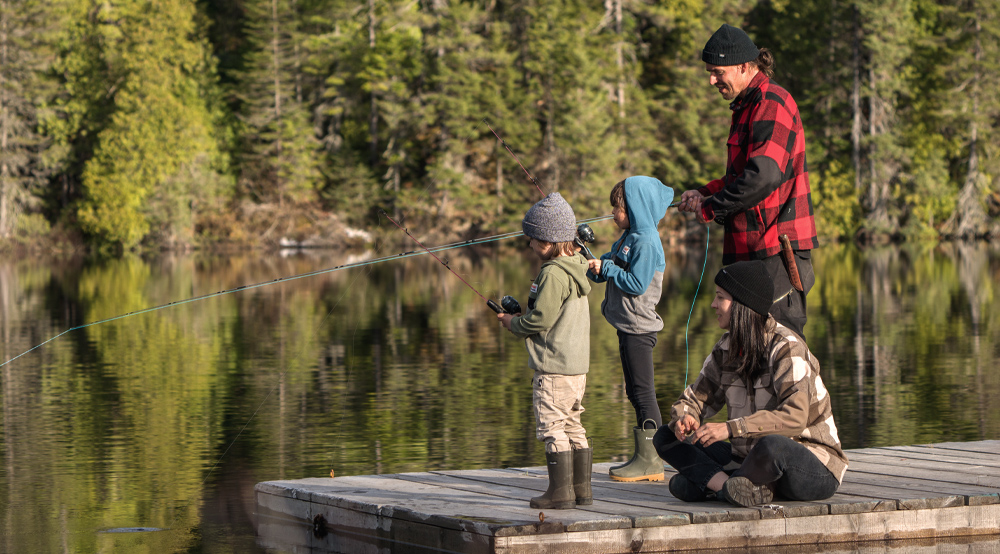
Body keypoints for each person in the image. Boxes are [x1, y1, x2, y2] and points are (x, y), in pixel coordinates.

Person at [652, 260, 847, 507]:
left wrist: (731, 428)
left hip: (812, 464)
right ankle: (730, 487)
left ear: (742, 305)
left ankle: (713, 484)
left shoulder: (788, 348)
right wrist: (685, 417)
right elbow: (695, 399)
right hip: (748, 459)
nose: (713, 304)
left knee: (772, 444)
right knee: (665, 436)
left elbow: (795, 417)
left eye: (720, 297)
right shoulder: (726, 348)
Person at [676, 24, 817, 339]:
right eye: (709, 72)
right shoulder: (745, 107)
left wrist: (711, 207)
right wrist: (703, 194)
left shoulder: (772, 102)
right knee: (747, 352)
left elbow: (762, 177)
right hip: (749, 252)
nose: (712, 80)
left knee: (780, 349)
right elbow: (740, 178)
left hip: (777, 254)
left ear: (743, 66)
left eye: (717, 72)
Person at [498, 192, 594, 510]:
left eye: (534, 238)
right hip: (577, 366)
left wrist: (513, 323)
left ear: (550, 240)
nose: (530, 244)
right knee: (572, 424)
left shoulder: (553, 273)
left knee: (553, 425)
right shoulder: (577, 266)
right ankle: (581, 490)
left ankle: (560, 493)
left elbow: (540, 320)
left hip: (554, 367)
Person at [587, 176, 674, 482]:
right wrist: (599, 266)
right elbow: (614, 266)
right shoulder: (629, 238)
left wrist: (609, 269)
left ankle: (652, 460)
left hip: (639, 328)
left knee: (644, 392)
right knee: (633, 391)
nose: (613, 213)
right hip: (627, 325)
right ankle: (644, 456)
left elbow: (637, 284)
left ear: (637, 207)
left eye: (618, 207)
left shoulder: (647, 241)